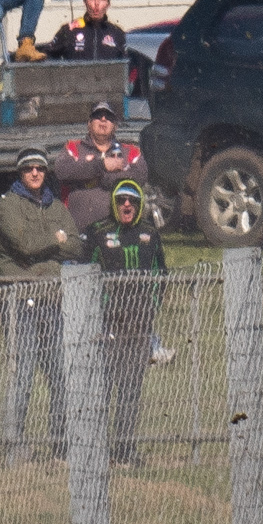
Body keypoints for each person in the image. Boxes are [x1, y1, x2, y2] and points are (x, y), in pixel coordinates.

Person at [0, 146, 81, 457]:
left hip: (53, 300)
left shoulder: (56, 205)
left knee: (60, 373)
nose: (35, 173)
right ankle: (13, 446)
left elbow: (76, 246)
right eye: (29, 168)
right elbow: (24, 244)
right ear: (19, 172)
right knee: (23, 374)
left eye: (40, 168)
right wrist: (56, 239)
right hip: (20, 301)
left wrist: (52, 244)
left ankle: (60, 444)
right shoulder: (6, 206)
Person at [83, 178, 164, 465]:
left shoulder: (150, 233)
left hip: (139, 323)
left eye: (132, 200)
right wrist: (99, 311)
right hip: (109, 324)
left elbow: (160, 273)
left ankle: (125, 450)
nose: (126, 205)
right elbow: (86, 273)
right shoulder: (98, 232)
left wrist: (151, 306)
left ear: (139, 204)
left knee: (131, 389)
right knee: (103, 387)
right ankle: (95, 449)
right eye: (121, 200)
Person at [55, 101, 147, 229]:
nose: (103, 119)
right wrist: (101, 165)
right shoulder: (73, 148)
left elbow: (141, 175)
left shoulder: (130, 151)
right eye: (98, 116)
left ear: (115, 126)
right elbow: (62, 171)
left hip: (119, 230)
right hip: (79, 228)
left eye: (108, 117)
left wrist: (109, 179)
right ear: (89, 123)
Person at [42, 0, 127, 61]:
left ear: (108, 4)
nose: (96, 4)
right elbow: (47, 56)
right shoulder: (69, 30)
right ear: (85, 2)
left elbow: (126, 63)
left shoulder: (117, 33)